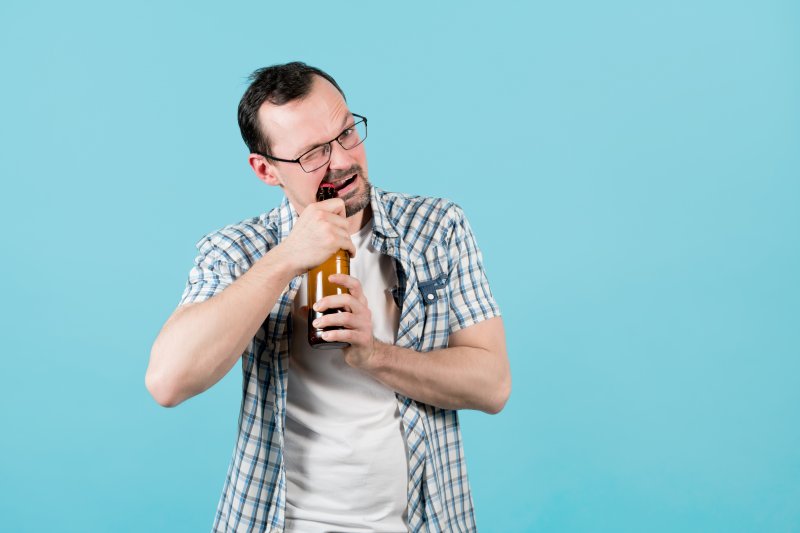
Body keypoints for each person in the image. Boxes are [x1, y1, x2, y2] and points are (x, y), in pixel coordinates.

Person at [146, 61, 511, 533]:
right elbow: (168, 381)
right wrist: (286, 258)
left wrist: (374, 355)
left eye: (345, 134)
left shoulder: (437, 230)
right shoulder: (239, 251)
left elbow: (493, 384)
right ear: (265, 170)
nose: (341, 160)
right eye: (313, 153)